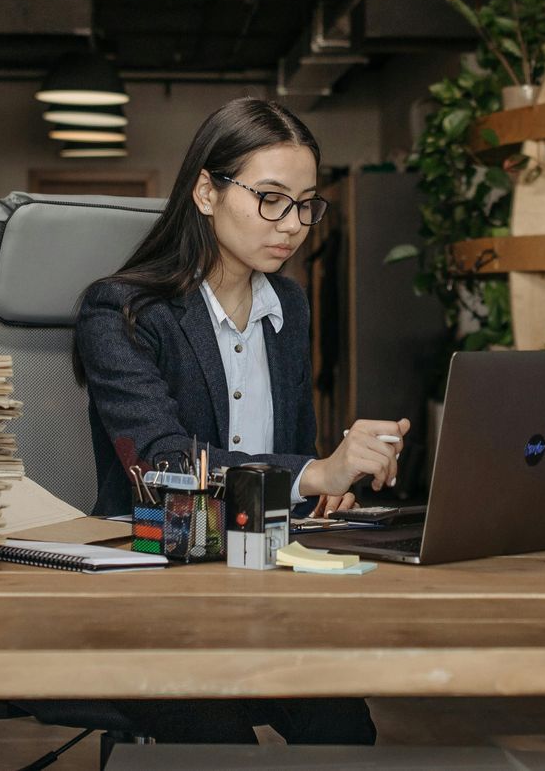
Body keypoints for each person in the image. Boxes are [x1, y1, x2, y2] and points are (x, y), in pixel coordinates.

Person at [74, 96, 407, 745]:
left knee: (344, 732)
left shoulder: (287, 305)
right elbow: (162, 468)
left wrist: (327, 484)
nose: (293, 223)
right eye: (271, 198)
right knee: (222, 745)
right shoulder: (122, 311)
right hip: (155, 578)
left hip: (263, 576)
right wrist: (313, 472)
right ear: (206, 192)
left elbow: (292, 453)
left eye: (308, 203)